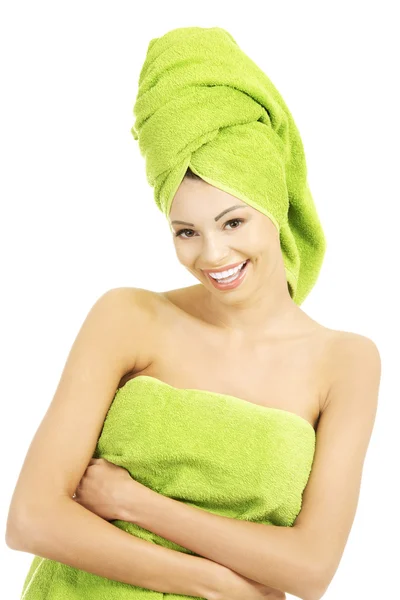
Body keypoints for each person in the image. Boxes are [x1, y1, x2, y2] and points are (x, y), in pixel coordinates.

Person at [6, 26, 381, 600]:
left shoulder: (346, 361)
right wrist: (212, 581)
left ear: (273, 206)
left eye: (233, 222)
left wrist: (136, 503)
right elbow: (31, 518)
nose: (212, 255)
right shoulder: (126, 315)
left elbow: (310, 569)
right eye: (186, 231)